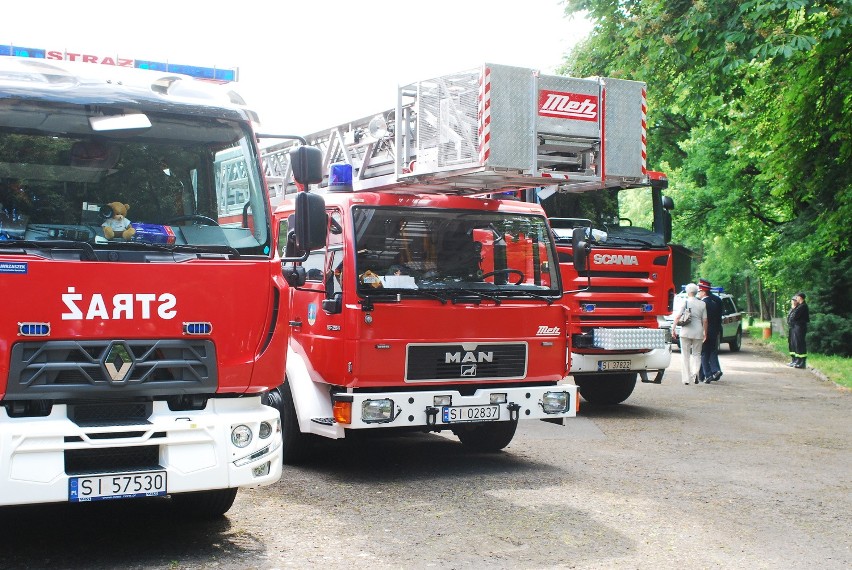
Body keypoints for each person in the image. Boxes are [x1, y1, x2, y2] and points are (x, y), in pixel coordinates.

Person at [671, 283, 708, 385]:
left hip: (685, 331)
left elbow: (678, 316)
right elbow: (705, 320)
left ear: (688, 292)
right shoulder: (702, 304)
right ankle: (695, 373)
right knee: (697, 354)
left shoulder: (685, 302)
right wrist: (705, 332)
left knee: (685, 355)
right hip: (698, 331)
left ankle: (686, 379)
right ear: (696, 292)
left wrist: (673, 328)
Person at [698, 279, 723, 382]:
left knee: (703, 353)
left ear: (703, 291)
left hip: (705, 330)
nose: (698, 293)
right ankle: (712, 371)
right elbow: (719, 317)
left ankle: (706, 374)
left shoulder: (702, 303)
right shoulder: (717, 301)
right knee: (711, 351)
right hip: (715, 330)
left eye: (699, 291)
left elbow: (703, 320)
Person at [787, 292, 810, 369]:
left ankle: (802, 362)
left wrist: (793, 308)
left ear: (800, 298)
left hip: (800, 327)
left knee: (800, 344)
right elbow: (789, 317)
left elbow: (794, 317)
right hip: (794, 327)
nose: (795, 299)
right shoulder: (798, 306)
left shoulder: (803, 306)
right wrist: (793, 308)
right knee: (794, 344)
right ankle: (796, 360)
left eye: (796, 298)